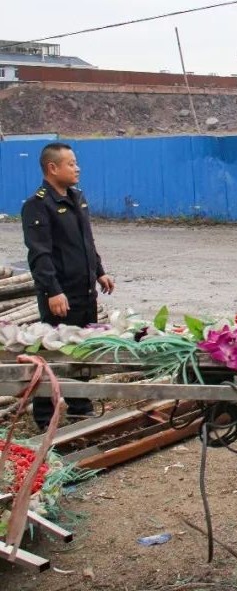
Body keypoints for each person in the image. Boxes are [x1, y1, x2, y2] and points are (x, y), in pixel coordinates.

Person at [21, 142, 115, 430]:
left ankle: (79, 408)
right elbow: (40, 254)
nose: (77, 168)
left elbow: (86, 241)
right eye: (71, 163)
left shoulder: (76, 197)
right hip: (61, 294)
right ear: (52, 168)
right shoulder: (38, 205)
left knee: (82, 351)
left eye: (76, 163)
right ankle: (44, 418)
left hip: (85, 291)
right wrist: (52, 291)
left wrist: (99, 272)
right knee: (54, 355)